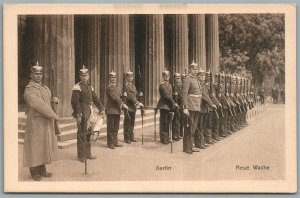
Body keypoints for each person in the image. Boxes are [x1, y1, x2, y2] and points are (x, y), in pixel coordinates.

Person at [23, 62, 60, 181]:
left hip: (45, 122)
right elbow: (37, 104)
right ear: (31, 75)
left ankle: (42, 170)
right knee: (35, 146)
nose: (39, 76)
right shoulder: (29, 89)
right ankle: (34, 172)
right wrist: (52, 114)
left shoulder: (45, 88)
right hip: (35, 122)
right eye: (36, 73)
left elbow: (48, 102)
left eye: (40, 73)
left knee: (44, 145)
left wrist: (55, 101)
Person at [71, 65, 105, 162]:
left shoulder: (90, 87)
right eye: (82, 76)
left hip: (91, 112)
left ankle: (88, 153)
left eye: (86, 75)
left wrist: (101, 108)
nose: (84, 77)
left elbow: (95, 99)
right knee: (82, 133)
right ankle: (81, 155)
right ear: (80, 76)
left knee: (89, 133)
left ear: (88, 76)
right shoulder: (77, 87)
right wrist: (78, 113)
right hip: (82, 112)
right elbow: (75, 102)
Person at [181, 61, 202, 154]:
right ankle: (186, 148)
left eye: (196, 69)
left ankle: (191, 146)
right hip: (190, 106)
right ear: (189, 69)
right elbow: (184, 93)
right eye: (193, 68)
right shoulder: (187, 79)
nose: (195, 70)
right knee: (188, 128)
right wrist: (185, 107)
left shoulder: (196, 80)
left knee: (193, 127)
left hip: (196, 106)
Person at [106, 70, 129, 149]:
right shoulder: (109, 88)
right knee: (111, 127)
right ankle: (110, 143)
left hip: (117, 110)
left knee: (116, 127)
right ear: (109, 78)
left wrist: (124, 95)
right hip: (111, 110)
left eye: (115, 77)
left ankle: (115, 141)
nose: (113, 79)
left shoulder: (118, 87)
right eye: (112, 77)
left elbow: (120, 96)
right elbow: (115, 97)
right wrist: (122, 104)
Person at [156, 69, 178, 144]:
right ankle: (163, 138)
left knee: (168, 122)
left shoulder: (169, 85)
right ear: (162, 76)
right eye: (165, 76)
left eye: (168, 76)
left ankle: (167, 137)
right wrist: (174, 102)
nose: (167, 77)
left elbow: (170, 95)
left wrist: (173, 104)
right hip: (164, 105)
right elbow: (166, 95)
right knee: (164, 123)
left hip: (169, 106)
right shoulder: (162, 85)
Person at [123, 71, 144, 144]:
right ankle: (127, 138)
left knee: (132, 123)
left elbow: (135, 95)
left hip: (133, 107)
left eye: (131, 77)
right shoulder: (125, 86)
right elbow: (130, 96)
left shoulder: (133, 86)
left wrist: (140, 95)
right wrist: (137, 103)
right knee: (127, 123)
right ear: (126, 78)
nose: (130, 78)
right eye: (129, 77)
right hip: (128, 107)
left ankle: (131, 137)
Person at [172, 73, 183, 141]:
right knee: (176, 121)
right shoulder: (174, 86)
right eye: (176, 78)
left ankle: (178, 134)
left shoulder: (180, 85)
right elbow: (175, 96)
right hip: (176, 105)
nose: (178, 79)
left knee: (179, 120)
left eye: (179, 78)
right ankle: (175, 135)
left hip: (180, 105)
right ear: (174, 79)